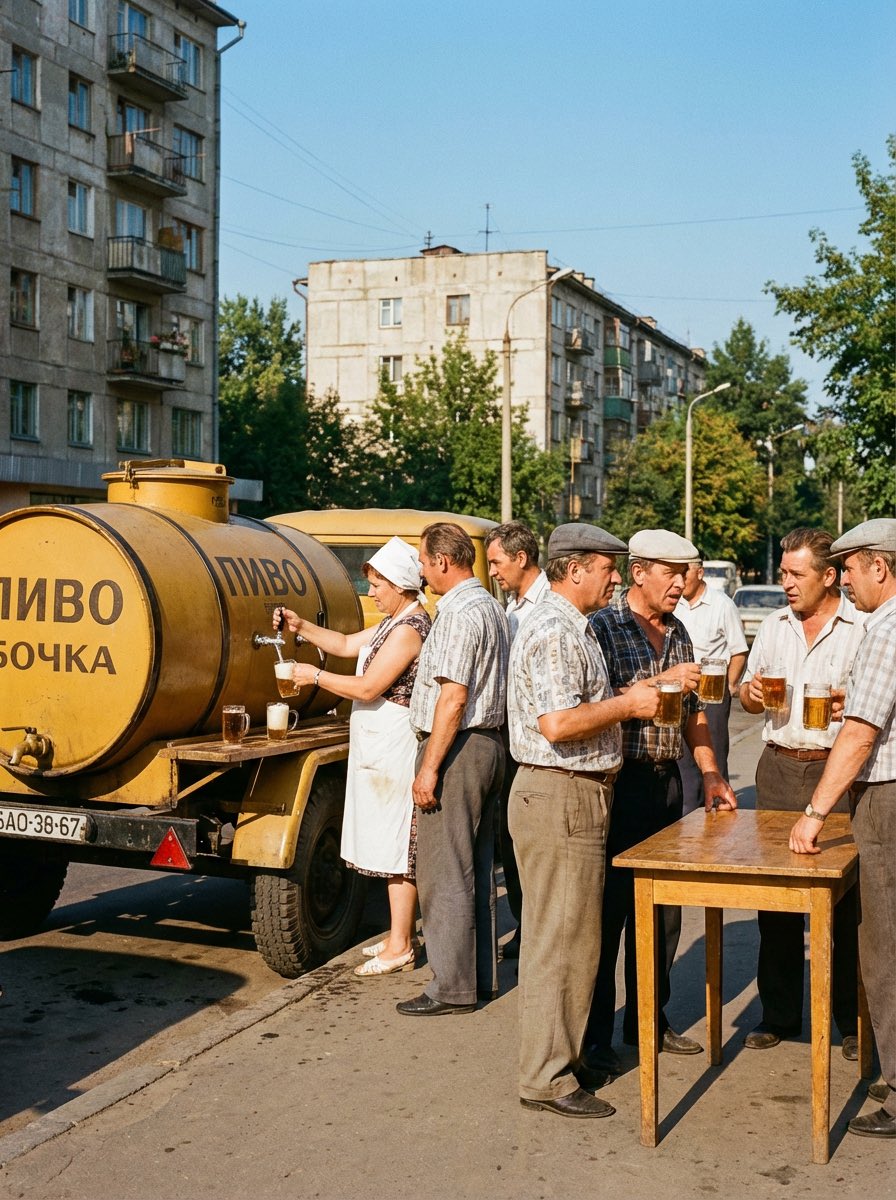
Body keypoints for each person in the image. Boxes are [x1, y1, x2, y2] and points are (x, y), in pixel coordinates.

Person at [509, 522, 661, 1119]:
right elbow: (558, 723)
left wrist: (630, 694)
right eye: (607, 567)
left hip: (569, 795)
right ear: (574, 569)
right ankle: (547, 1077)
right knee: (562, 941)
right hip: (561, 795)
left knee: (569, 938)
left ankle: (560, 1062)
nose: (616, 578)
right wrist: (628, 704)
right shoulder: (555, 629)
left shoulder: (569, 624)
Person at [582, 529, 736, 1076]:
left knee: (665, 912)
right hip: (617, 783)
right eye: (671, 573)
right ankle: (595, 1036)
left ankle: (649, 1018)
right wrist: (660, 678)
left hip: (667, 782)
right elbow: (590, 705)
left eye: (685, 574)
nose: (680, 583)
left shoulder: (679, 630)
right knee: (608, 914)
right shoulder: (601, 627)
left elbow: (693, 712)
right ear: (639, 571)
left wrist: (711, 772)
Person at [274, 537, 431, 977]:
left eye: (377, 584)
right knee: (387, 842)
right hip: (380, 745)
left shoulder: (409, 630)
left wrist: (314, 676)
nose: (371, 592)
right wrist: (301, 625)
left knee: (398, 847)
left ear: (399, 585)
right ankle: (399, 934)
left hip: (395, 747)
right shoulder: (393, 621)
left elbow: (367, 687)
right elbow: (344, 643)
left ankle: (401, 945)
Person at [738, 528, 866, 1055]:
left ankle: (852, 1022)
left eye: (796, 574)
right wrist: (750, 693)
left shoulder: (861, 627)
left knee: (848, 904)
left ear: (829, 576)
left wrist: (848, 701)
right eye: (783, 573)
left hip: (837, 771)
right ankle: (780, 1014)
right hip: (778, 768)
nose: (785, 583)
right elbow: (748, 696)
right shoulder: (774, 626)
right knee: (776, 901)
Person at [788, 519, 896, 1139]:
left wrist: (814, 813)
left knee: (884, 946)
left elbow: (859, 735)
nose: (846, 579)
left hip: (886, 798)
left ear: (879, 566)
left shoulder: (885, 628)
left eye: (851, 567)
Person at [397, 522, 509, 1016]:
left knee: (444, 871)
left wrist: (430, 768)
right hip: (485, 745)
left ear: (443, 561)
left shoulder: (461, 612)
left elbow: (454, 696)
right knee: (475, 867)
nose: (422, 573)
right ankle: (476, 979)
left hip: (458, 747)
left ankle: (451, 987)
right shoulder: (489, 605)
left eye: (424, 563)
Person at [485, 520, 549, 959]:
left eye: (496, 562)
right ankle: (525, 926)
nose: (492, 571)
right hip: (512, 739)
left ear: (521, 558)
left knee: (537, 845)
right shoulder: (511, 608)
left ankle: (538, 934)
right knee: (512, 839)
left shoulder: (549, 605)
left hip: (543, 744)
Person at [675, 556, 748, 814]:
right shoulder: (674, 603)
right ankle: (689, 812)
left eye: (684, 573)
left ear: (700, 572)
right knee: (684, 757)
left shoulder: (722, 604)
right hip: (682, 689)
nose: (679, 580)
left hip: (712, 692)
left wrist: (729, 687)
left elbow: (739, 651)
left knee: (714, 754)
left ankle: (718, 810)